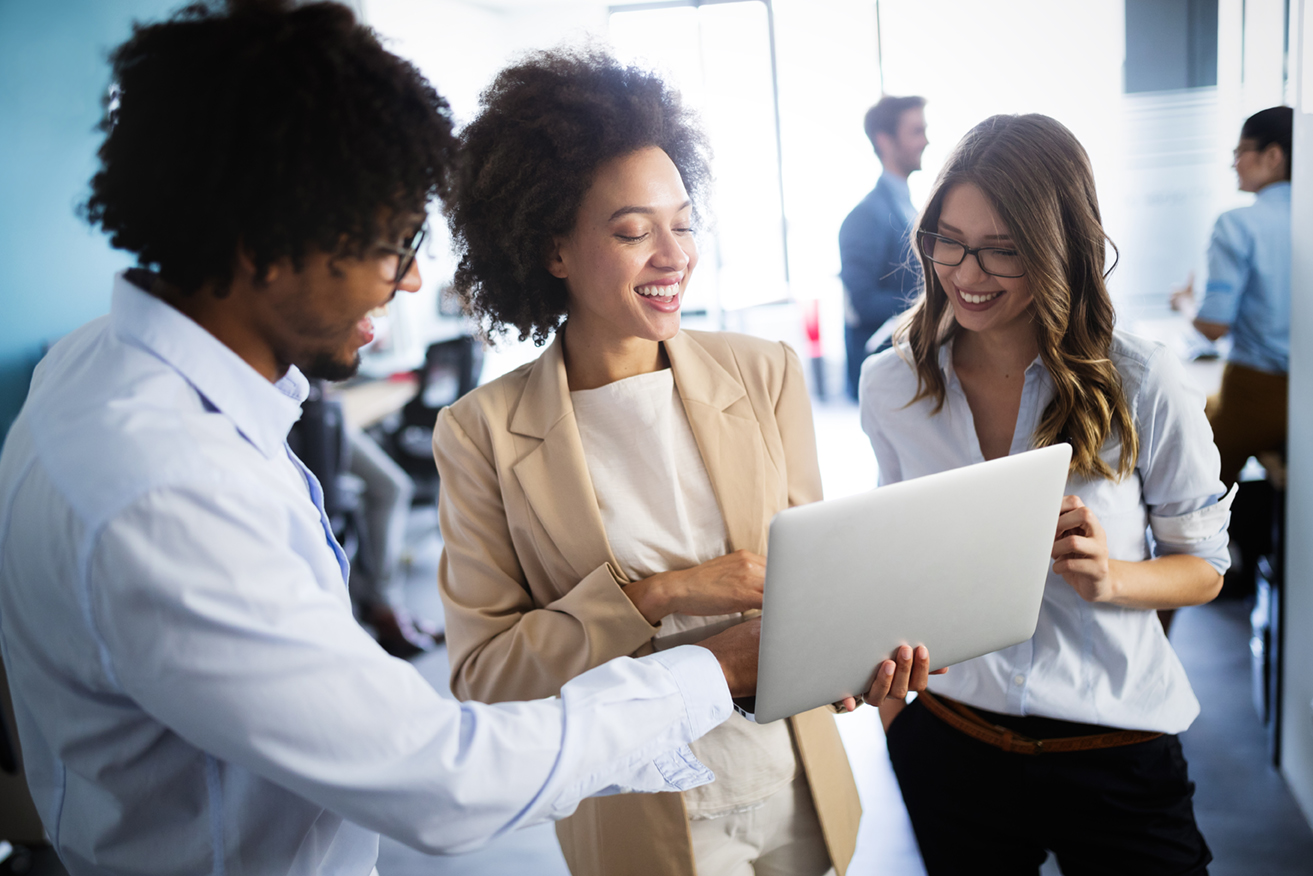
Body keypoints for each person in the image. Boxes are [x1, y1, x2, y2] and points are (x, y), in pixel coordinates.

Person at [0, 3, 773, 871]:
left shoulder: (89, 367)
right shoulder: (164, 489)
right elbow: (444, 781)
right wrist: (712, 670)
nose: (408, 280)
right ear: (266, 240)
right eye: (391, 242)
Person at [436, 48, 934, 876]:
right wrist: (659, 595)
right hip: (637, 814)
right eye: (633, 231)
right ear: (551, 248)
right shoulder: (481, 432)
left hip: (794, 784)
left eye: (683, 221)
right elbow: (488, 679)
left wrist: (862, 657)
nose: (674, 255)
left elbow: (815, 588)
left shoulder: (763, 372)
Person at [860, 114, 1231, 875]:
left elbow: (1203, 567)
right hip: (952, 743)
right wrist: (900, 718)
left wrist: (1114, 577)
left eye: (1001, 249)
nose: (965, 272)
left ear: (1061, 248)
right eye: (947, 240)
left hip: (1115, 753)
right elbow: (890, 559)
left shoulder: (1143, 382)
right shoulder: (891, 381)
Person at [1173, 105, 1292, 488]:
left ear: (1273, 157)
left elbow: (1212, 327)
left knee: (1188, 475)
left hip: (1259, 393)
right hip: (1300, 400)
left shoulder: (1238, 225)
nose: (1235, 164)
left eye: (1241, 152)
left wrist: (1184, 305)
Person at [839, 94, 928, 401]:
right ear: (885, 140)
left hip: (913, 364)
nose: (926, 141)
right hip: (888, 370)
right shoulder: (866, 216)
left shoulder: (908, 206)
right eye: (916, 131)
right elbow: (863, 302)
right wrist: (932, 301)